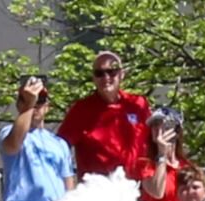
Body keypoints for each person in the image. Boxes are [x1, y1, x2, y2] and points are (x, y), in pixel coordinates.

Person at [0, 76, 76, 201]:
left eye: (40, 100)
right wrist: (29, 105)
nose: (35, 106)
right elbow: (13, 145)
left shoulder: (59, 143)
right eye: (26, 100)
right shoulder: (8, 132)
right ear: (19, 104)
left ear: (47, 106)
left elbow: (68, 183)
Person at [58, 50, 150, 179]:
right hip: (98, 189)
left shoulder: (138, 104)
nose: (106, 78)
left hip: (135, 189)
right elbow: (60, 147)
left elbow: (151, 143)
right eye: (99, 73)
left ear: (121, 74)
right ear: (93, 78)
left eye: (112, 72)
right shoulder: (81, 109)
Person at [133, 108, 189, 201]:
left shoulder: (187, 166)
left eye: (164, 125)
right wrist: (162, 155)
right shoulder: (145, 164)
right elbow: (157, 192)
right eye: (154, 126)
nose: (157, 129)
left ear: (176, 132)